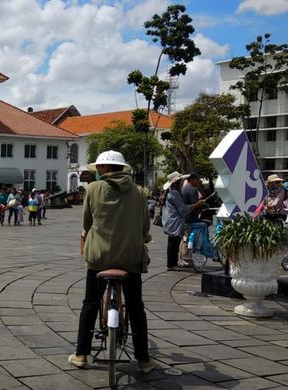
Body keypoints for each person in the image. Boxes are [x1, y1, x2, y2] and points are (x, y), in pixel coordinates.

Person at [69, 150, 154, 373]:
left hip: (99, 258)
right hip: (131, 258)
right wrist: (143, 238)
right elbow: (146, 227)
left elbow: (87, 223)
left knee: (90, 303)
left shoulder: (93, 189)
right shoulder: (138, 192)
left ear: (106, 169)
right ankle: (144, 359)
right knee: (136, 308)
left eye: (99, 167)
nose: (97, 171)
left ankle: (80, 354)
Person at [161, 172, 206, 271]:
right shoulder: (175, 193)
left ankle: (172, 263)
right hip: (175, 222)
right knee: (174, 244)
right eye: (181, 181)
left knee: (173, 243)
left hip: (171, 221)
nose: (182, 182)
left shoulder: (172, 192)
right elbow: (183, 209)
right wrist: (198, 204)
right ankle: (171, 264)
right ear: (177, 182)